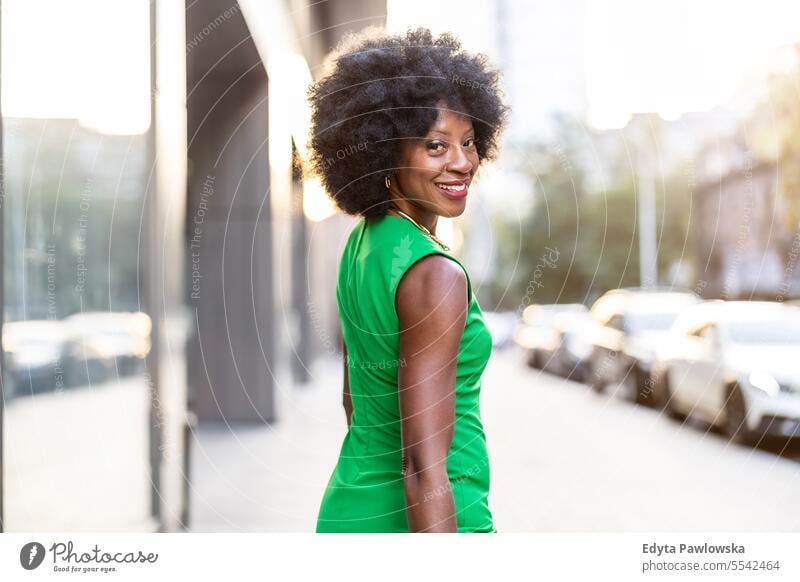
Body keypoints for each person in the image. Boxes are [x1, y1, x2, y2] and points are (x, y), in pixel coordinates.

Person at [307, 26, 508, 533]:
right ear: (383, 152)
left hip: (352, 508)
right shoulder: (434, 273)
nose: (461, 162)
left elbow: (355, 401)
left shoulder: (364, 243)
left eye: (468, 142)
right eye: (435, 146)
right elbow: (423, 469)